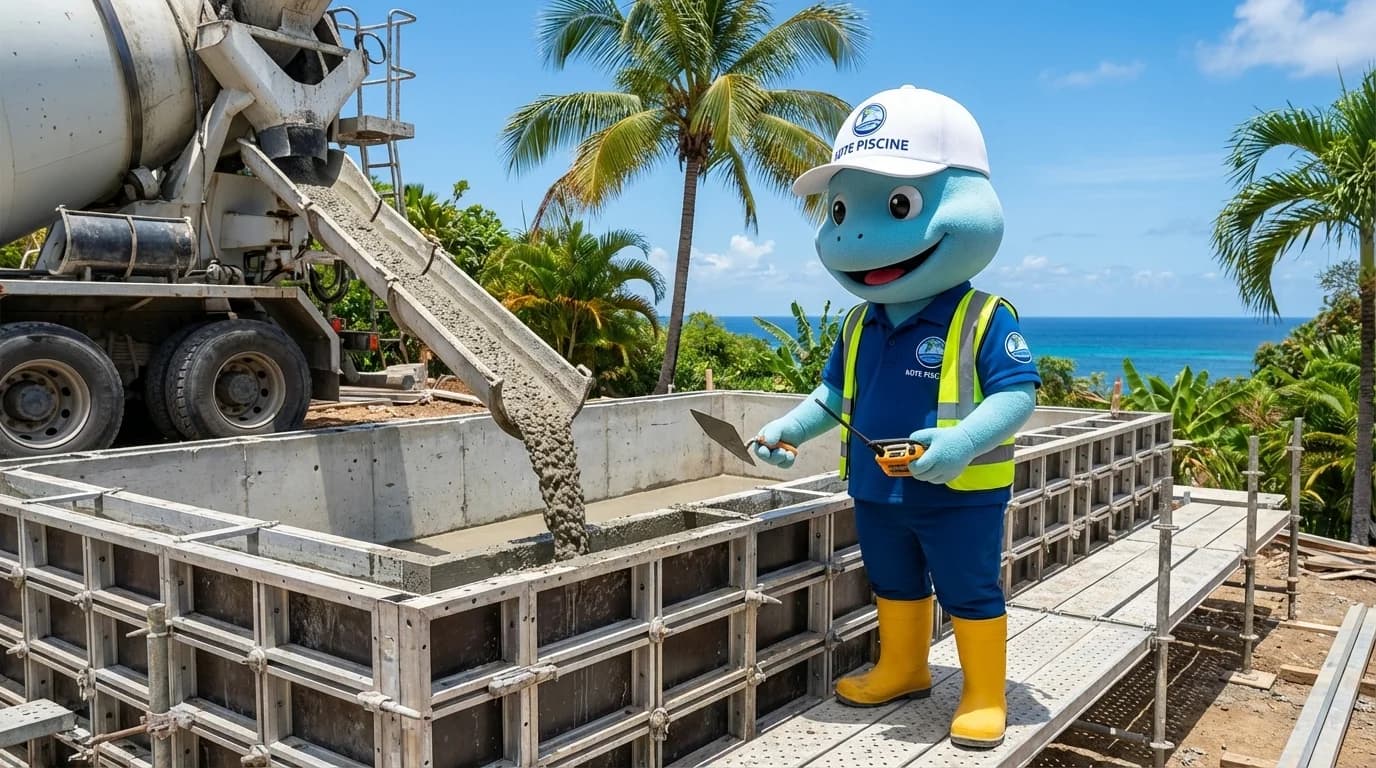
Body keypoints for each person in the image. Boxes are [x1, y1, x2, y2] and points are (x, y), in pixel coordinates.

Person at [751, 85, 1040, 749]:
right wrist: (789, 430)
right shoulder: (858, 322)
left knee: (969, 587)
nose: (856, 233)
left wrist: (963, 441)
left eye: (900, 205)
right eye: (843, 209)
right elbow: (832, 398)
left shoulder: (985, 318)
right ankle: (905, 667)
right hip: (877, 489)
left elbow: (1017, 396)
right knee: (894, 581)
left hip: (959, 493)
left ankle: (982, 693)